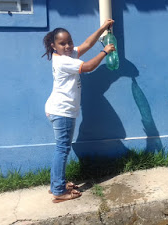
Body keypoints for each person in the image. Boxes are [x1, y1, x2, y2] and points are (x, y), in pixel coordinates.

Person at [42, 19, 115, 203]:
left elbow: (87, 44)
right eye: (62, 43)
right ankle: (58, 190)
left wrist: (102, 28)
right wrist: (105, 52)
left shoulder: (65, 55)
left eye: (69, 42)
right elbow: (88, 67)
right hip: (62, 111)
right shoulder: (63, 62)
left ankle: (57, 184)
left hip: (59, 109)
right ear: (53, 46)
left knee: (61, 149)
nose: (68, 46)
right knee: (62, 149)